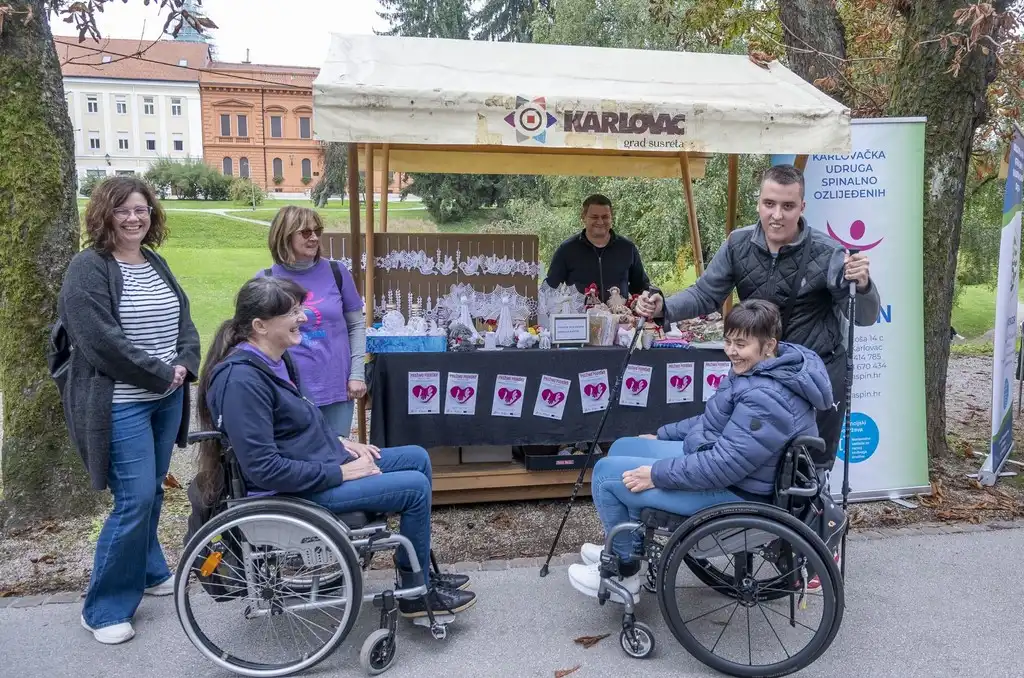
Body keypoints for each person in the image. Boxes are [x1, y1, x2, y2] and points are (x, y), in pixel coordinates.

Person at [195, 276, 477, 618]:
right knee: (415, 488)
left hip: (315, 465)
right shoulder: (241, 380)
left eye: (300, 308)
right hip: (290, 493)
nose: (303, 318)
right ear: (260, 326)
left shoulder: (277, 361)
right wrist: (341, 472)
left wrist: (342, 443)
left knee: (417, 457)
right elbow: (264, 468)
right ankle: (414, 594)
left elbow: (295, 425)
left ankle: (416, 574)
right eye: (292, 312)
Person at [567, 299, 833, 602]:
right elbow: (712, 421)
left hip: (737, 491)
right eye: (729, 341)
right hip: (729, 470)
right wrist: (662, 434)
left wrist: (657, 475)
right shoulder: (763, 372)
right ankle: (625, 545)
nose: (731, 351)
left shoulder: (766, 397)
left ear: (769, 345)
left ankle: (623, 571)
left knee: (604, 476)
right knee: (622, 447)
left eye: (741, 344)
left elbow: (725, 465)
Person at [635, 164, 880, 462]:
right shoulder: (738, 244)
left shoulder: (829, 252)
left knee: (808, 466)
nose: (777, 215)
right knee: (746, 457)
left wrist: (864, 285)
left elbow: (863, 317)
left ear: (802, 207)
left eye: (788, 206)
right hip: (758, 372)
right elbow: (705, 294)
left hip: (814, 374)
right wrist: (665, 308)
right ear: (758, 203)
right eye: (769, 204)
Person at [57, 176, 201, 645]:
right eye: (123, 210)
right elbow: (100, 341)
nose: (134, 218)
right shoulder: (88, 268)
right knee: (135, 499)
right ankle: (103, 609)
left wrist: (183, 363)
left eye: (141, 209)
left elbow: (183, 320)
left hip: (165, 398)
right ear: (105, 215)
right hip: (121, 404)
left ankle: (147, 568)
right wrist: (162, 373)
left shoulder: (153, 261)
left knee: (153, 492)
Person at [255, 206, 365, 438]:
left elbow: (356, 325)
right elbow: (254, 338)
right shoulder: (265, 280)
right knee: (300, 457)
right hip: (288, 390)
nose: (314, 237)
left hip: (337, 387)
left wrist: (357, 374)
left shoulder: (337, 272)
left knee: (338, 455)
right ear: (284, 236)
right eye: (305, 232)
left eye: (317, 231)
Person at [544, 194, 651, 303]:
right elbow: (549, 290)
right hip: (581, 318)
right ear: (583, 217)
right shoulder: (567, 250)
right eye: (594, 217)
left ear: (611, 217)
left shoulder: (627, 249)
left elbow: (642, 288)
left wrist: (649, 299)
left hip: (620, 317)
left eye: (605, 217)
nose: (600, 222)